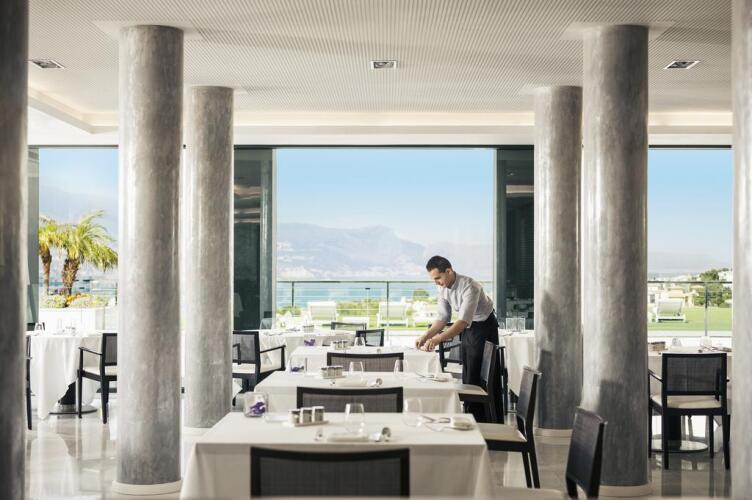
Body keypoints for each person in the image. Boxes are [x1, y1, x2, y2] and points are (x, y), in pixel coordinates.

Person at [415, 255, 498, 421]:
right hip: (469, 329)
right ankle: (469, 417)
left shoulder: (470, 286)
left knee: (480, 375)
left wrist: (438, 339)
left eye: (438, 278)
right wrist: (426, 335)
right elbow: (443, 318)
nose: (436, 282)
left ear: (449, 271)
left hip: (484, 327)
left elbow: (462, 322)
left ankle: (482, 421)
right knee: (469, 373)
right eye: (433, 279)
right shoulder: (442, 287)